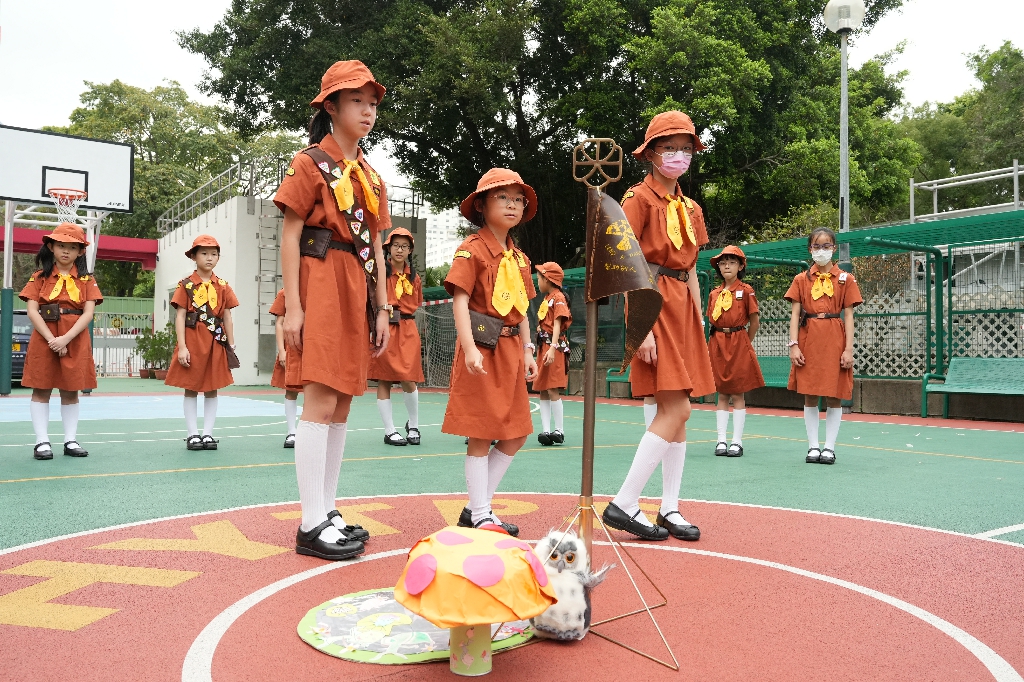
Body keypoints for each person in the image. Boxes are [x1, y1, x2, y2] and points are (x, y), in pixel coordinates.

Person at [275, 60, 390, 560]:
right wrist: (293, 308)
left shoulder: (371, 175)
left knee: (342, 403)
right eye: (356, 101)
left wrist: (383, 306)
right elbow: (289, 235)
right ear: (331, 106)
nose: (367, 111)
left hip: (357, 286)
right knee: (320, 400)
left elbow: (378, 245)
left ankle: (326, 508)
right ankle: (310, 523)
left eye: (372, 103)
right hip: (320, 280)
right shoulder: (308, 163)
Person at [601, 111, 715, 542]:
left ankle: (669, 507)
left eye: (686, 149)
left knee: (679, 413)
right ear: (650, 153)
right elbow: (625, 264)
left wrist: (698, 317)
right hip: (654, 301)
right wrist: (641, 327)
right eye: (670, 148)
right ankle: (625, 502)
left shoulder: (691, 207)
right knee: (677, 410)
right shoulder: (637, 199)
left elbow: (693, 268)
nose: (679, 156)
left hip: (684, 307)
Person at [442, 168, 539, 537]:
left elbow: (523, 307)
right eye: (502, 198)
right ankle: (482, 513)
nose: (512, 205)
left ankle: (476, 508)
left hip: (512, 349)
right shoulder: (471, 250)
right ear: (481, 205)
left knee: (517, 433)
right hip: (483, 349)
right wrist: (469, 348)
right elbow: (460, 301)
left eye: (518, 200)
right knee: (481, 433)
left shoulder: (520, 258)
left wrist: (528, 349)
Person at [20, 223, 102, 460]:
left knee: (71, 390)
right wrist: (52, 339)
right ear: (51, 247)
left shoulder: (87, 280)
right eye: (61, 246)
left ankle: (70, 440)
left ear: (80, 251)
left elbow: (88, 313)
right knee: (41, 388)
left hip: (74, 338)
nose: (66, 251)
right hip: (45, 336)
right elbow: (32, 310)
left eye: (73, 247)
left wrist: (65, 338)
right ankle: (41, 441)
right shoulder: (39, 277)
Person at [785, 227, 862, 465]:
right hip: (808, 338)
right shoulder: (801, 279)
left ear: (834, 248)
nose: (821, 250)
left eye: (826, 246)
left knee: (834, 394)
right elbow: (794, 314)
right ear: (809, 249)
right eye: (816, 246)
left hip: (835, 338)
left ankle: (829, 447)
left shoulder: (846, 279)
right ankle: (813, 446)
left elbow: (849, 315)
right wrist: (793, 345)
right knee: (809, 394)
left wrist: (848, 349)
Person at [165, 235, 239, 451]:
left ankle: (208, 433)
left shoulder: (223, 286)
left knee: (212, 387)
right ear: (194, 257)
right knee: (191, 387)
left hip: (216, 341)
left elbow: (227, 317)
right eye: (204, 253)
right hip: (193, 341)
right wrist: (182, 347)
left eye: (214, 254)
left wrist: (231, 344)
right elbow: (180, 316)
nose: (209, 258)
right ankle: (192, 434)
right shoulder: (186, 285)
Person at [369, 227, 425, 446]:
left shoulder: (415, 277)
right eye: (396, 245)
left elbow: (417, 302)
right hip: (386, 327)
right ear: (388, 248)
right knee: (384, 379)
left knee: (409, 378)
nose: (399, 250)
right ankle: (389, 430)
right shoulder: (380, 273)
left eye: (404, 246)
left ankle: (414, 425)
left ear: (410, 250)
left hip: (408, 329)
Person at [707, 245, 764, 457]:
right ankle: (721, 440)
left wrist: (745, 342)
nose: (727, 266)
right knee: (721, 392)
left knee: (738, 393)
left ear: (740, 266)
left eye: (732, 262)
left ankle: (737, 441)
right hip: (717, 342)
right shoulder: (714, 293)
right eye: (722, 263)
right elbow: (711, 319)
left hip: (738, 341)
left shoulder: (747, 291)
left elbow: (754, 322)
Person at [533, 262, 572, 446]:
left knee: (552, 388)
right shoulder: (547, 298)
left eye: (539, 278)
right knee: (543, 388)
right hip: (544, 347)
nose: (538, 282)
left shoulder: (558, 297)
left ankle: (559, 430)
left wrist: (553, 347)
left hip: (553, 347)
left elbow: (557, 323)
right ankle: (546, 430)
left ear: (548, 279)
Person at [269, 289, 301, 448]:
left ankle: (309, 431)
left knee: (315, 392)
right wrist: (282, 350)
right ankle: (291, 431)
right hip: (292, 348)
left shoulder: (317, 289)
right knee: (291, 390)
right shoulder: (285, 292)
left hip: (314, 347)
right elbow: (279, 323)